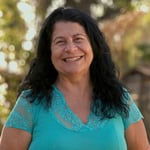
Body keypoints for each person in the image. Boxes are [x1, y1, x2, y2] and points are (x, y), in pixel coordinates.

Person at [0, 7, 149, 150]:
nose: (70, 48)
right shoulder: (30, 104)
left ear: (93, 46)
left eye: (78, 39)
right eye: (60, 42)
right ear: (49, 51)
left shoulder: (119, 100)